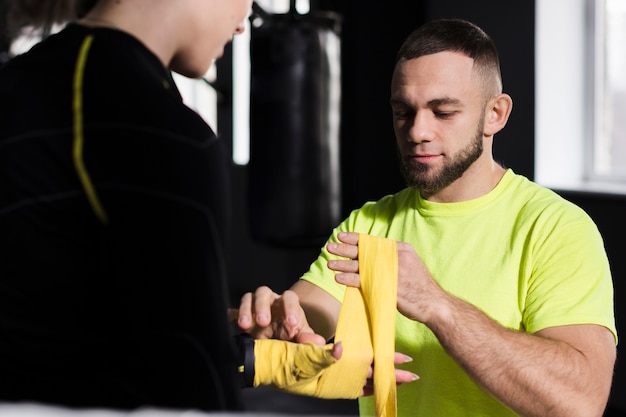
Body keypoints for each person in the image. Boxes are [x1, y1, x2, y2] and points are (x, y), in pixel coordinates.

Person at [235, 18, 618, 417]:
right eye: (404, 112)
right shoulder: (370, 224)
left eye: (443, 112)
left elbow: (580, 402)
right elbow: (307, 322)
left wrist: (437, 305)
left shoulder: (556, 229)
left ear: (495, 115)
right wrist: (278, 325)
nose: (417, 131)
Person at [0, 0, 261, 412]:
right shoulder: (155, 126)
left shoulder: (30, 80)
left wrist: (261, 356)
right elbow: (193, 373)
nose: (243, 22)